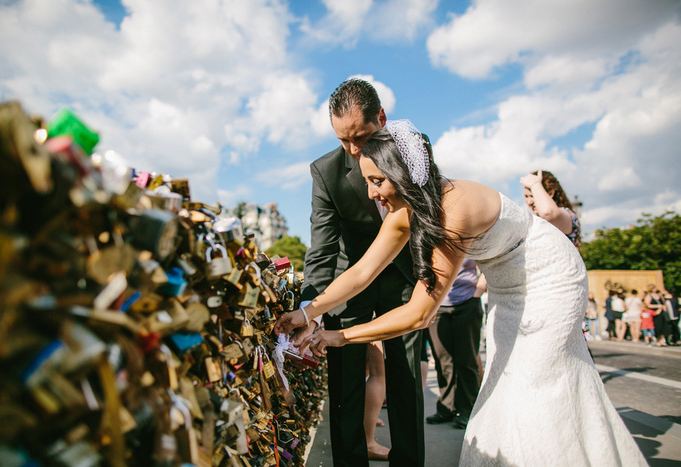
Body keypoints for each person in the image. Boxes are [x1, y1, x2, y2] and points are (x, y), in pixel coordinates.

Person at [274, 120, 647, 465]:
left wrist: (340, 336)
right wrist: (307, 313)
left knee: (538, 385)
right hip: (507, 286)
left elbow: (419, 313)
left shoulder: (453, 210)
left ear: (402, 174)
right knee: (508, 384)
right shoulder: (404, 211)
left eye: (378, 181)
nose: (371, 193)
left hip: (549, 278)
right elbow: (361, 272)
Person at [293, 78, 424, 466]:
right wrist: (309, 307)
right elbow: (322, 245)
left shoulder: (414, 152)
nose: (353, 149)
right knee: (346, 386)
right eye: (343, 140)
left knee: (406, 382)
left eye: (361, 137)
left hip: (404, 279)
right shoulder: (326, 171)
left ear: (381, 118)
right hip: (348, 282)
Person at [425, 259, 485, 431]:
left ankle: (468, 410)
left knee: (466, 360)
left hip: (467, 303)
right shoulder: (433, 235)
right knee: (443, 360)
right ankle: (446, 408)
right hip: (438, 305)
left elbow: (485, 266)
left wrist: (477, 294)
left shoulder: (470, 234)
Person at [519, 169, 580, 246]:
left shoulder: (568, 216)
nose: (529, 202)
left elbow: (548, 213)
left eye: (532, 196)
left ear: (550, 193)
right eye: (526, 196)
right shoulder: (533, 221)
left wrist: (535, 184)